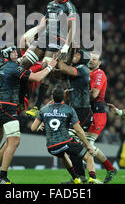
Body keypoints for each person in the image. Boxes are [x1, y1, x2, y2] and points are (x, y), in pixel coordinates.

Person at [0, 46, 58, 184]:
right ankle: (2, 177)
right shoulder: (13, 67)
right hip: (8, 106)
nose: (16, 54)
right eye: (13, 52)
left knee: (10, 141)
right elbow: (36, 77)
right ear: (6, 54)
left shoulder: (1, 64)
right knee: (15, 141)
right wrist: (50, 67)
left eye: (16, 52)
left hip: (3, 105)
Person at [30, 85, 101, 184]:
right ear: (64, 97)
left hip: (51, 147)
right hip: (65, 142)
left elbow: (33, 128)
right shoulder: (69, 109)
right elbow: (78, 130)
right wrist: (88, 145)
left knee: (63, 156)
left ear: (52, 97)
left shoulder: (44, 110)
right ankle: (92, 179)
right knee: (88, 156)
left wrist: (42, 123)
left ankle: (76, 178)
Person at [56, 49, 94, 182]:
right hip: (75, 109)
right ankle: (82, 177)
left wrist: (59, 60)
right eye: (75, 53)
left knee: (71, 143)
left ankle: (85, 176)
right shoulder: (75, 68)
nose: (75, 56)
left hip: (82, 110)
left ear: (83, 58)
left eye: (77, 54)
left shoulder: (82, 68)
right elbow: (59, 74)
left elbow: (66, 70)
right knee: (72, 144)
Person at [21, 0, 79, 70]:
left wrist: (66, 46)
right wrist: (37, 32)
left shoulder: (69, 8)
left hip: (58, 39)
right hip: (45, 37)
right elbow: (46, 21)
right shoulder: (50, 4)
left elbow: (72, 28)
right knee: (24, 62)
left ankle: (44, 83)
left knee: (45, 66)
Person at [87, 52, 117, 183]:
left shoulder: (99, 74)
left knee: (87, 145)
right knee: (84, 145)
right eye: (90, 59)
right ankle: (107, 170)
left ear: (99, 63)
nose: (91, 61)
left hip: (97, 114)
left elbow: (94, 94)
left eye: (95, 59)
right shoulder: (86, 73)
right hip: (88, 113)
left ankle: (95, 175)